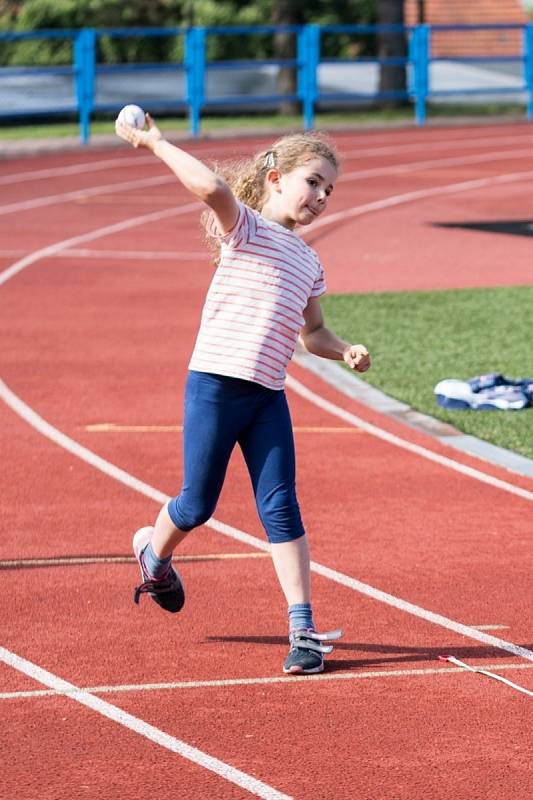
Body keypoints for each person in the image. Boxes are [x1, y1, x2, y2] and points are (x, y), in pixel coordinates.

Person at [115, 113, 371, 675]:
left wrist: (344, 348)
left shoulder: (309, 260)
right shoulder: (246, 227)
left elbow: (314, 333)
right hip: (215, 385)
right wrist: (153, 141)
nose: (322, 196)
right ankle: (154, 557)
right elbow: (211, 188)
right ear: (276, 176)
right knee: (197, 504)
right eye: (313, 182)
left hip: (267, 398)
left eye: (330, 190)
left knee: (281, 508)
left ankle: (302, 629)